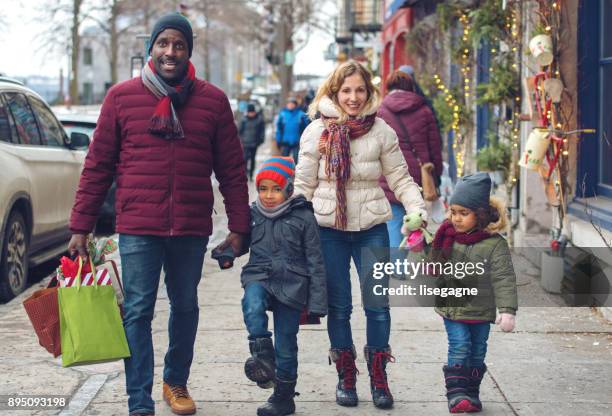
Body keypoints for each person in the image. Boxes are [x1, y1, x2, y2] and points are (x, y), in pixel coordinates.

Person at [67, 12, 250, 416]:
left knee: (185, 306)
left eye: (179, 44)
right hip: (138, 226)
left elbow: (232, 170)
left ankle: (176, 383)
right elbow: (97, 165)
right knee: (137, 310)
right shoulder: (121, 97)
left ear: (188, 51)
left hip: (190, 225)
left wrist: (240, 228)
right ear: (151, 48)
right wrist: (81, 226)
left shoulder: (213, 101)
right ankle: (138, 400)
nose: (170, 51)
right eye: (163, 43)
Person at [293, 60, 426, 409]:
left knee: (378, 307)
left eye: (360, 90)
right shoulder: (315, 132)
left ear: (369, 92)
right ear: (334, 93)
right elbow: (303, 186)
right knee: (339, 307)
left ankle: (379, 378)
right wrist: (291, 227)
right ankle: (346, 376)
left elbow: (400, 177)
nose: (353, 97)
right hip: (328, 230)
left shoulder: (381, 130)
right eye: (346, 90)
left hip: (371, 229)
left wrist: (416, 208)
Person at [241, 157, 327, 416]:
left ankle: (283, 397)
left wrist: (317, 302)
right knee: (252, 303)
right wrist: (226, 251)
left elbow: (315, 261)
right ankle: (263, 355)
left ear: (289, 189)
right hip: (259, 276)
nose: (268, 196)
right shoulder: (252, 213)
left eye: (276, 189)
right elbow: (239, 240)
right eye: (263, 189)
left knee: (287, 344)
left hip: (293, 285)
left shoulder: (303, 217)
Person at [426, 172, 517, 413]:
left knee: (478, 350)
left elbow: (503, 277)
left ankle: (472, 393)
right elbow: (433, 265)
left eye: (463, 213)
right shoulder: (446, 237)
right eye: (453, 212)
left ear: (481, 214)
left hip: (481, 310)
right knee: (460, 345)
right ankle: (456, 394)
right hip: (453, 308)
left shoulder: (494, 244)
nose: (456, 219)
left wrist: (507, 310)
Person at [378, 69, 443, 247]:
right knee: (416, 217)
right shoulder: (424, 110)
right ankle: (413, 253)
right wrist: (436, 172)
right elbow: (434, 144)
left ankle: (398, 268)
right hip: (418, 173)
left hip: (389, 173)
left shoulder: (381, 110)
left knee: (394, 220)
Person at [275, 96, 309, 162]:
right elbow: (279, 129)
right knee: (284, 161)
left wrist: (305, 141)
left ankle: (295, 172)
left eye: (292, 104)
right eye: (289, 103)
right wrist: (278, 140)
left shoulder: (301, 115)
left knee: (297, 161)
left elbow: (306, 129)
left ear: (295, 105)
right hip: (285, 141)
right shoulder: (283, 114)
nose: (290, 105)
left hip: (297, 142)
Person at [240, 103, 266, 181]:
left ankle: (251, 175)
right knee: (245, 159)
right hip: (245, 143)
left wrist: (261, 140)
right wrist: (240, 139)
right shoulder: (243, 120)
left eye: (252, 112)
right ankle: (244, 174)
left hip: (254, 143)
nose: (251, 114)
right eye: (249, 112)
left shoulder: (259, 119)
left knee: (252, 159)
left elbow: (262, 131)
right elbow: (239, 131)